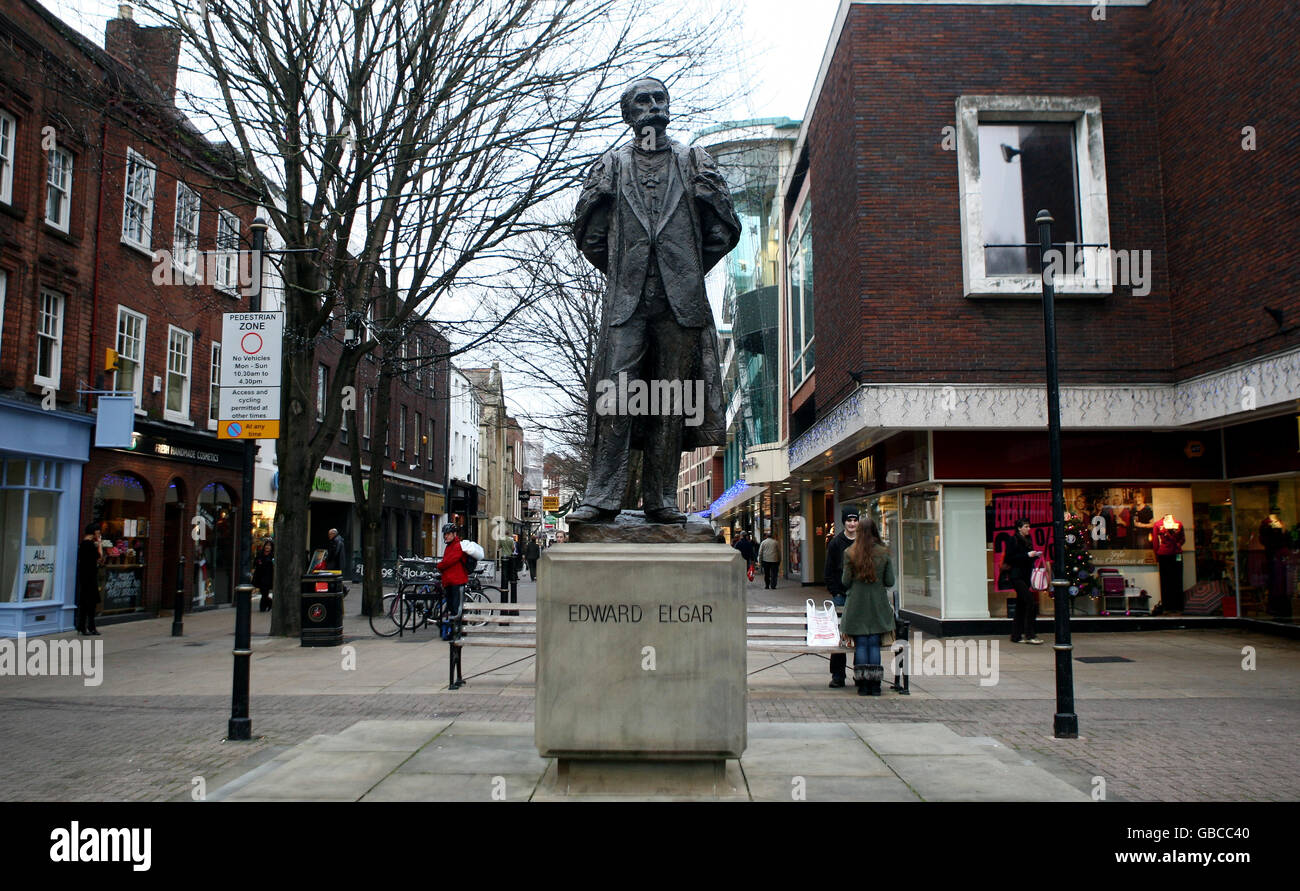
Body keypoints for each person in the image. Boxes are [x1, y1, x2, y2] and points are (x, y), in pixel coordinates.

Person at [566, 76, 741, 525]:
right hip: (629, 301)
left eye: (659, 99)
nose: (653, 108)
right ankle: (603, 495)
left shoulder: (693, 160)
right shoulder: (610, 164)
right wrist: (625, 269)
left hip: (679, 302)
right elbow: (589, 233)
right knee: (616, 396)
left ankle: (661, 498)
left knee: (670, 399)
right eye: (642, 101)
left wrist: (686, 268)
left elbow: (724, 227)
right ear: (628, 114)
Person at [840, 516, 896, 695]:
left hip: (857, 604)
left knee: (862, 643)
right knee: (874, 642)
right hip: (877, 605)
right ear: (875, 531)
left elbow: (845, 581)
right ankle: (876, 685)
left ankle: (863, 685)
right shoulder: (884, 553)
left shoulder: (850, 552)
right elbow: (889, 581)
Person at [823, 508, 859, 687]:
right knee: (838, 637)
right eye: (849, 520)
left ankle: (860, 673)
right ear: (844, 522)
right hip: (841, 596)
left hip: (858, 597)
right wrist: (835, 591)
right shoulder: (836, 543)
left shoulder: (863, 542)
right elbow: (828, 570)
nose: (852, 523)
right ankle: (838, 675)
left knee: (860, 635)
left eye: (855, 520)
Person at [1005, 518, 1045, 644]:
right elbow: (1010, 558)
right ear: (1019, 528)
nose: (1029, 529)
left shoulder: (1028, 539)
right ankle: (1030, 634)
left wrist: (1034, 556)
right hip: (1016, 576)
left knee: (1021, 605)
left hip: (1026, 575)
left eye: (1029, 526)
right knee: (1030, 602)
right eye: (1026, 526)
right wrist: (1028, 555)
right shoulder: (1013, 540)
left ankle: (1016, 635)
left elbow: (1026, 558)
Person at [436, 523, 469, 622]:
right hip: (450, 581)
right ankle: (451, 631)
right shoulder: (450, 545)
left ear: (454, 534)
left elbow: (449, 561)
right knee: (451, 607)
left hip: (456, 581)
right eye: (445, 534)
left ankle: (457, 631)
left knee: (456, 608)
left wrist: (439, 566)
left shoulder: (457, 545)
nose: (446, 536)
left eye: (448, 534)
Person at [76, 522, 103, 636]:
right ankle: (88, 626)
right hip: (90, 576)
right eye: (98, 531)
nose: (99, 533)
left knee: (86, 602)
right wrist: (100, 543)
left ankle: (84, 626)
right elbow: (99, 556)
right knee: (90, 603)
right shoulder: (89, 544)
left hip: (84, 576)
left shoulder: (83, 544)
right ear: (94, 531)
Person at [253, 541, 274, 612]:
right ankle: (270, 602)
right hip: (260, 576)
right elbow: (255, 562)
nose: (267, 547)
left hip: (268, 577)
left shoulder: (272, 555)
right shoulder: (260, 554)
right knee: (263, 592)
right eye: (266, 545)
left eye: (269, 546)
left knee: (265, 593)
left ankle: (262, 608)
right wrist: (258, 562)